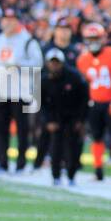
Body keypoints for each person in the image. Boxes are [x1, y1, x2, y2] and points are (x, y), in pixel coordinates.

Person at [0, 9, 42, 173]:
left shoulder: (27, 40)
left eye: (12, 19)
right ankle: (2, 162)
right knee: (0, 128)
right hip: (0, 91)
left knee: (22, 130)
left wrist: (20, 65)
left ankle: (21, 163)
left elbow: (38, 64)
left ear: (18, 21)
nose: (8, 23)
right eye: (6, 19)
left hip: (20, 92)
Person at [77, 22, 111, 181]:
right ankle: (98, 169)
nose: (93, 41)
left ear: (103, 38)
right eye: (90, 38)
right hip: (95, 103)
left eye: (96, 38)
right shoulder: (82, 59)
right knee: (96, 136)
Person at [39, 48, 90, 186]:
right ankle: (56, 176)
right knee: (56, 147)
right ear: (47, 63)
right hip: (55, 116)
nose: (54, 66)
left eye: (57, 63)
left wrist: (81, 119)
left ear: (62, 63)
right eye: (52, 63)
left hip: (73, 116)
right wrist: (48, 121)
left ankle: (72, 175)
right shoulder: (43, 80)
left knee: (73, 147)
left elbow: (84, 98)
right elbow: (41, 103)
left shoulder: (74, 77)